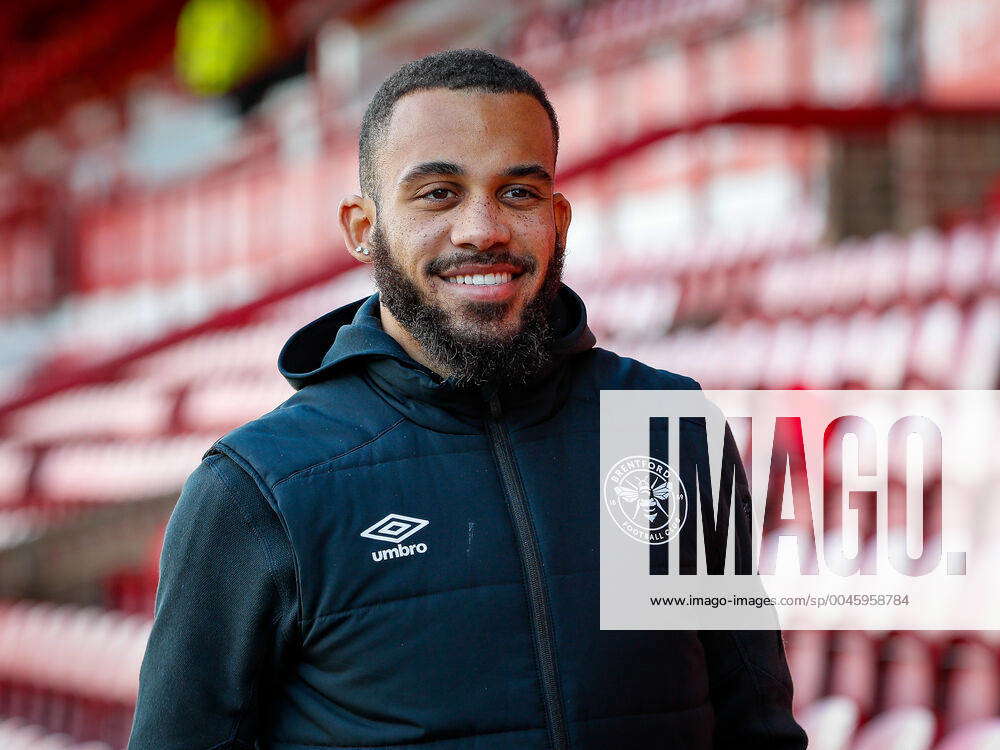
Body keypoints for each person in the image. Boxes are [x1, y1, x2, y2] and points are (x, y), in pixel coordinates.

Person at [128, 48, 807, 749]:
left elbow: (756, 724)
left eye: (518, 192)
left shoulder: (667, 428)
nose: (482, 229)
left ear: (559, 219)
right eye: (437, 193)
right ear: (364, 229)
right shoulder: (259, 489)